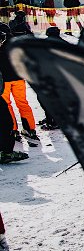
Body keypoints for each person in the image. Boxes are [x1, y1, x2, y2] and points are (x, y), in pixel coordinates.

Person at [0, 21, 38, 144]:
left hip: (4, 80)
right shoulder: (16, 43)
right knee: (22, 102)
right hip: (18, 78)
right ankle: (30, 129)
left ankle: (12, 130)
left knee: (7, 105)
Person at [0, 30, 27, 164]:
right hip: (14, 79)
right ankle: (6, 151)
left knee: (7, 116)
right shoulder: (13, 45)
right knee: (6, 121)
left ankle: (5, 150)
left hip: (7, 82)